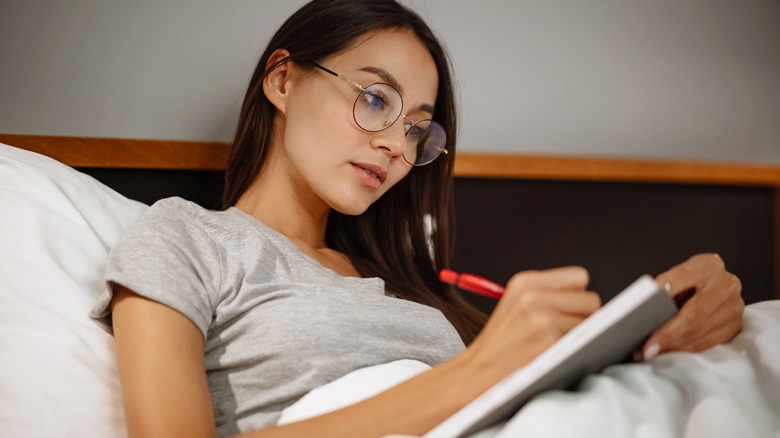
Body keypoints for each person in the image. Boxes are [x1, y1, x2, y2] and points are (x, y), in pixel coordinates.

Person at [90, 0, 745, 437]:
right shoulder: (184, 237)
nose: (397, 147)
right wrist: (477, 371)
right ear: (283, 81)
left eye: (418, 131)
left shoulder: (401, 280)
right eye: (375, 100)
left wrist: (660, 337)